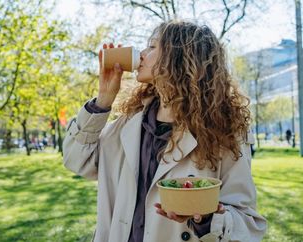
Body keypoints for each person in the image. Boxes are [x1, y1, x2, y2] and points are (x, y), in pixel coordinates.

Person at [63, 20, 267, 242]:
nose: (141, 54)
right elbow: (77, 161)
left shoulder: (224, 133)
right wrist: (103, 100)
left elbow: (247, 223)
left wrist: (206, 219)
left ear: (179, 57)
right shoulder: (128, 123)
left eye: (151, 47)